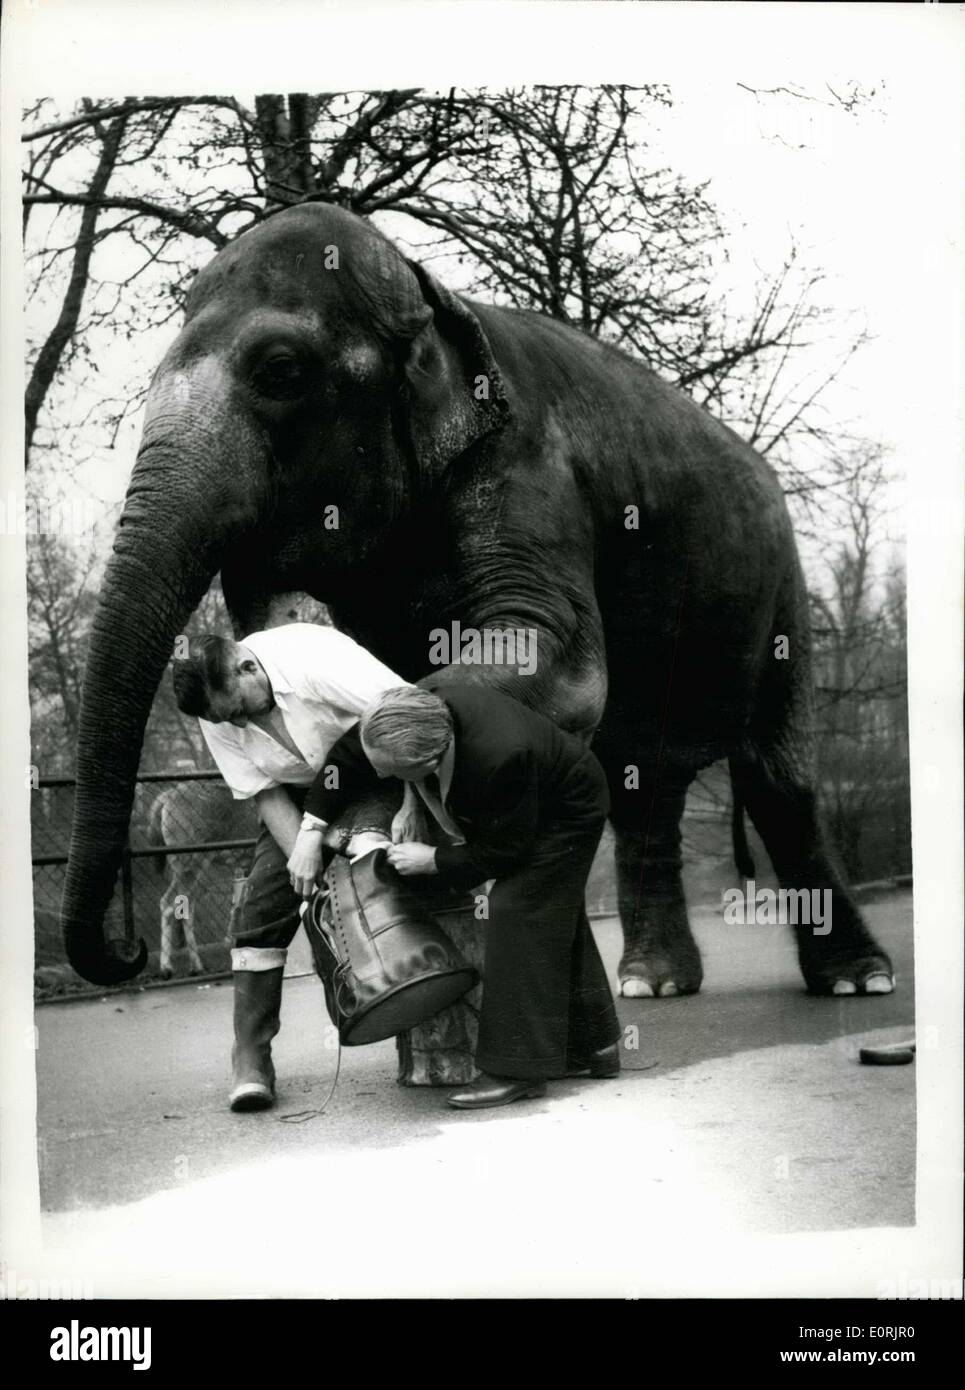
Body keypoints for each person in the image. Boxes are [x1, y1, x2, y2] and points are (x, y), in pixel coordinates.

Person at [292, 681, 622, 1110]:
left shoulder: (498, 758)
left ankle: (516, 1070)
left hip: (567, 808)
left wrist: (435, 860)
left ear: (427, 760)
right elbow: (351, 757)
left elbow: (503, 854)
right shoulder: (399, 717)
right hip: (525, 794)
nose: (381, 777)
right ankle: (595, 1046)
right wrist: (312, 830)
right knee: (554, 911)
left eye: (392, 773)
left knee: (516, 907)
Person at [172, 623, 415, 1111]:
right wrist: (305, 868)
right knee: (262, 907)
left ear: (247, 665)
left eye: (239, 711)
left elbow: (409, 717)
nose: (237, 726)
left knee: (370, 862)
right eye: (227, 721)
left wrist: (413, 802)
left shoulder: (314, 656)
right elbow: (264, 791)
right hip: (298, 799)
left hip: (380, 773)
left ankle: (406, 995)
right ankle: (250, 1059)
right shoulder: (217, 714)